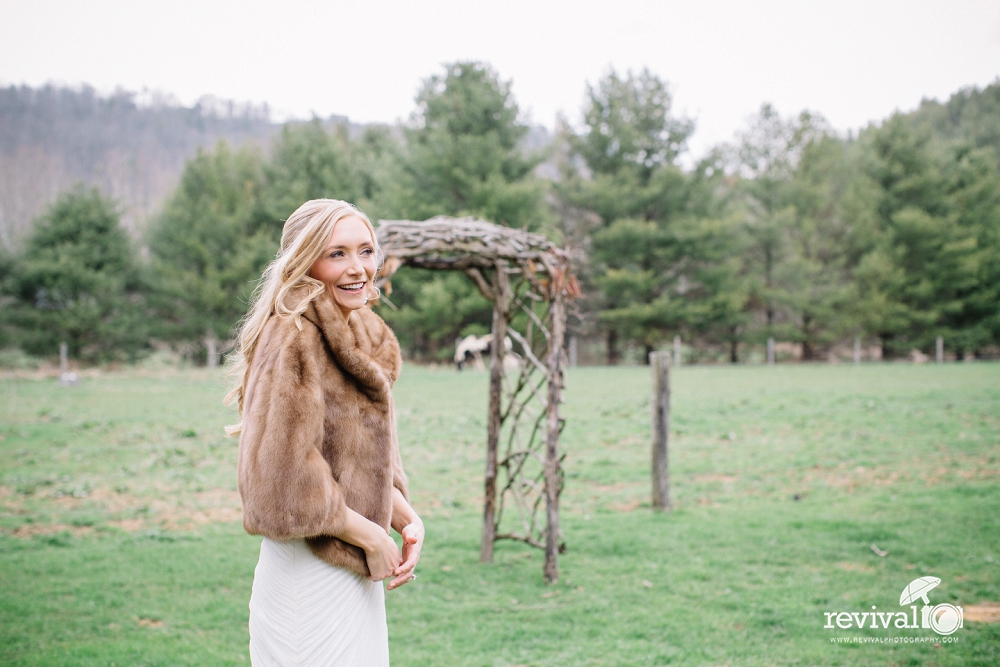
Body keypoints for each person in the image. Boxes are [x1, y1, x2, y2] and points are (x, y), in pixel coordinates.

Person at [225, 199, 424, 666]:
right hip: (305, 577)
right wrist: (373, 538)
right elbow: (279, 485)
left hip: (352, 576)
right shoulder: (291, 335)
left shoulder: (361, 332)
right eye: (337, 253)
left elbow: (354, 458)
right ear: (304, 261)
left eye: (366, 251)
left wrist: (403, 518)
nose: (358, 268)